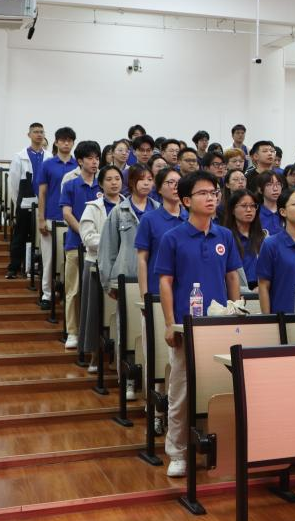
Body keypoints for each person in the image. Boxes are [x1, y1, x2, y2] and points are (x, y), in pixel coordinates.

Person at [156, 171, 242, 478]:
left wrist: (236, 312)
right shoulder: (172, 238)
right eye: (203, 193)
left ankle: (224, 447)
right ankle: (177, 452)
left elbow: (232, 277)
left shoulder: (225, 236)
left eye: (214, 193)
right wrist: (169, 323)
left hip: (220, 326)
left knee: (223, 387)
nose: (211, 198)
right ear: (186, 200)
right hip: (186, 328)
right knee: (181, 391)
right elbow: (165, 283)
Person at [97, 164, 155, 400]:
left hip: (152, 280)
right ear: (131, 183)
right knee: (128, 332)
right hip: (126, 279)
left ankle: (149, 382)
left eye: (150, 179)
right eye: (142, 179)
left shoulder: (158, 210)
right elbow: (107, 250)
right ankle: (128, 380)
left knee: (150, 333)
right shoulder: (118, 212)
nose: (146, 183)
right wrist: (108, 282)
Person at [59, 141, 103, 349]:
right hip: (75, 243)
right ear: (80, 161)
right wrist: (85, 234)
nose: (94, 162)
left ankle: (94, 333)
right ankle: (72, 331)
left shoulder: (103, 184)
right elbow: (67, 213)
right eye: (90, 158)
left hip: (99, 247)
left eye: (97, 158)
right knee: (74, 290)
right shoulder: (70, 185)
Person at [78, 166, 123, 368]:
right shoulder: (92, 208)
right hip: (95, 264)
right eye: (109, 179)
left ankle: (119, 357)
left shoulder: (128, 206)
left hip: (122, 265)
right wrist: (114, 242)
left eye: (117, 178)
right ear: (101, 184)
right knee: (95, 312)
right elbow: (88, 238)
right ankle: (95, 355)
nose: (114, 183)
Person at [37, 127, 77, 311]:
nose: (66, 143)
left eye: (69, 140)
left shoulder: (78, 165)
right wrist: (41, 218)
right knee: (49, 259)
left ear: (73, 143)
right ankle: (46, 294)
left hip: (72, 219)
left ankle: (65, 292)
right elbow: (42, 193)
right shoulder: (47, 164)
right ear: (56, 142)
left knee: (68, 259)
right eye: (63, 140)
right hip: (51, 217)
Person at [257, 188, 295, 314]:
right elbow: (263, 285)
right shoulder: (271, 244)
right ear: (283, 211)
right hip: (282, 316)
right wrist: (268, 320)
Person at [135, 169, 188, 299]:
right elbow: (142, 259)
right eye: (170, 182)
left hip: (188, 292)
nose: (176, 186)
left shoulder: (191, 218)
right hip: (157, 291)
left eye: (179, 182)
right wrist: (144, 295)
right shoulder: (149, 219)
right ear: (159, 189)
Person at [6, 122, 48, 279]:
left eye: (41, 132)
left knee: (41, 237)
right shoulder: (20, 156)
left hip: (44, 203)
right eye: (35, 131)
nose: (39, 134)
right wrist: (19, 201)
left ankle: (36, 268)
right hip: (25, 201)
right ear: (29, 135)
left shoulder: (49, 157)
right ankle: (14, 267)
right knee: (20, 235)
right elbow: (14, 183)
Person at [223, 189, 265, 291]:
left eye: (252, 206)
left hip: (262, 290)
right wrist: (247, 291)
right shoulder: (225, 238)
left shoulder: (264, 237)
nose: (249, 210)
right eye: (244, 206)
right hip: (237, 292)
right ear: (232, 210)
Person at [254, 171, 285, 237]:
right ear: (260, 189)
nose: (275, 189)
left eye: (278, 184)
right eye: (269, 185)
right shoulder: (255, 213)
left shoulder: (287, 211)